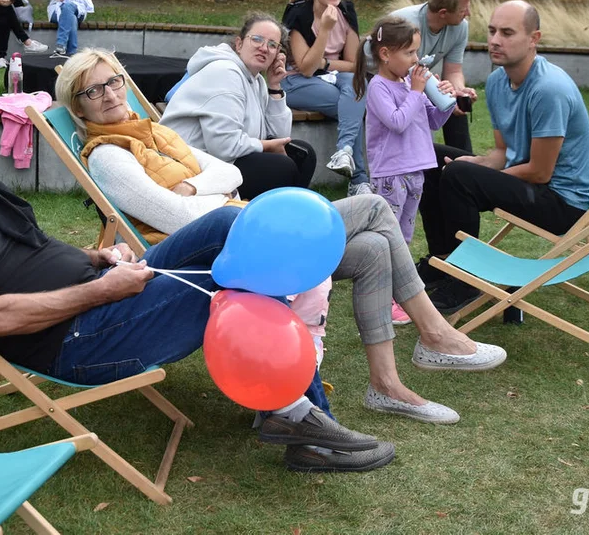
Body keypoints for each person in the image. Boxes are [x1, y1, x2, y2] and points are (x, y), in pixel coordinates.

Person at [0, 96, 396, 473]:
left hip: (98, 289)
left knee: (229, 227)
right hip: (75, 340)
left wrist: (96, 257)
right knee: (231, 279)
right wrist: (102, 290)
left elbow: (30, 246)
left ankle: (288, 410)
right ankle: (304, 424)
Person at [60, 51, 508, 426]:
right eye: (93, 91)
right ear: (79, 109)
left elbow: (229, 169)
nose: (111, 95)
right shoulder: (108, 157)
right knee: (371, 207)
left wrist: (195, 185)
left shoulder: (155, 132)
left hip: (242, 230)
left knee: (372, 249)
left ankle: (386, 386)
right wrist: (212, 194)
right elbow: (178, 222)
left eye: (114, 82)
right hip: (219, 252)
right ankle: (434, 335)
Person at [418, 0, 589, 316]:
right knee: (429, 158)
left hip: (560, 201)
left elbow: (541, 172)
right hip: (527, 180)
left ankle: (467, 279)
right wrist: (478, 165)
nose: (496, 40)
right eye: (492, 31)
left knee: (458, 177)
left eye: (508, 32)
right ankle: (445, 260)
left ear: (533, 39)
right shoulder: (499, 80)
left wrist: (473, 175)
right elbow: (502, 153)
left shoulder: (548, 90)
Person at [160, 13, 316, 200]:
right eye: (257, 39)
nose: (264, 48)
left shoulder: (255, 80)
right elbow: (224, 147)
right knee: (282, 168)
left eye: (272, 45)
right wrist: (266, 145)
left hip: (219, 159)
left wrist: (274, 87)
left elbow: (280, 136)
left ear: (278, 54)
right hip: (188, 166)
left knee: (304, 155)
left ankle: (287, 218)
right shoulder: (225, 73)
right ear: (239, 44)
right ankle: (275, 220)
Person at [363, 16, 455, 326]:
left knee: (404, 236)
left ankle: (396, 294)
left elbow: (432, 120)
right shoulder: (379, 87)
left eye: (417, 52)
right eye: (410, 53)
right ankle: (382, 297)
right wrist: (417, 91)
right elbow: (398, 122)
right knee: (387, 238)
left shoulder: (406, 83)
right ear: (386, 53)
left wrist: (447, 99)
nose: (417, 60)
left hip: (416, 169)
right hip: (391, 174)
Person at [281, 0, 370, 196]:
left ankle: (344, 153)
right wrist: (325, 30)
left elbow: (353, 63)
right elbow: (307, 68)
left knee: (356, 85)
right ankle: (359, 180)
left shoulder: (347, 11)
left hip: (332, 75)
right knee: (353, 105)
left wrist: (326, 64)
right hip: (295, 81)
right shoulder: (298, 13)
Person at [371, 0, 478, 152]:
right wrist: (437, 90)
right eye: (463, 10)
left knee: (453, 103)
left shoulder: (460, 26)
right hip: (384, 78)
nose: (468, 13)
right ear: (443, 13)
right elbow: (396, 69)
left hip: (416, 77)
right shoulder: (406, 23)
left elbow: (454, 70)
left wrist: (458, 92)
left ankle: (463, 164)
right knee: (442, 98)